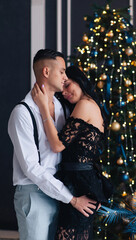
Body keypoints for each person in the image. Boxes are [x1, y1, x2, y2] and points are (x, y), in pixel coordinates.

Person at [8, 49, 97, 240]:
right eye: (62, 71)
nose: (66, 77)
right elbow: (31, 168)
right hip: (35, 195)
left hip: (61, 192)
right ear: (46, 72)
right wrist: (72, 199)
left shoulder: (62, 107)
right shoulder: (22, 113)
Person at [31, 65, 108, 239]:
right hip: (81, 180)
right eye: (62, 88)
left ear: (79, 80)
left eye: (68, 85)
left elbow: (57, 145)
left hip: (80, 183)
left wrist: (43, 107)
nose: (64, 92)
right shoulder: (86, 105)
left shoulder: (85, 104)